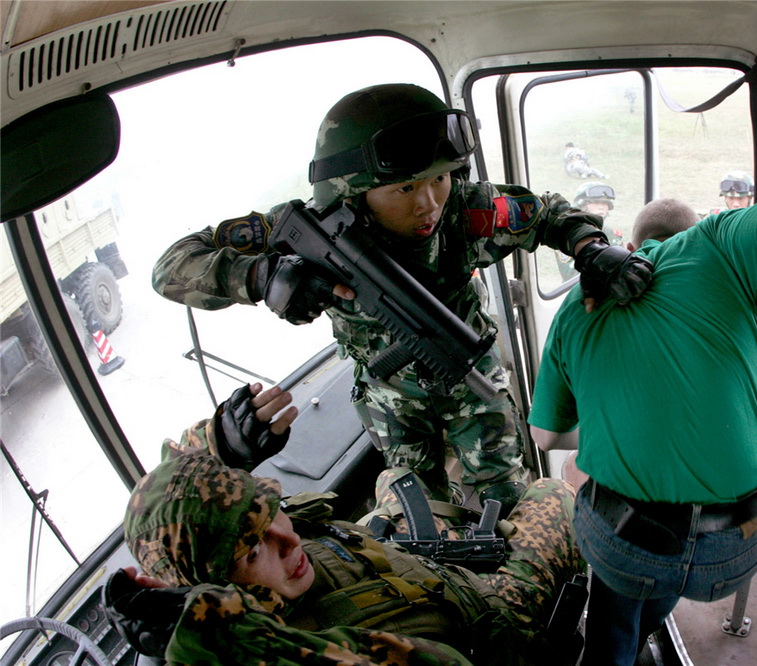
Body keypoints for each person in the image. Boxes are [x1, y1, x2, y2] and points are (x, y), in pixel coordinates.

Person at [151, 83, 652, 518]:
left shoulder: (467, 208)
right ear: (353, 192)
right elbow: (171, 267)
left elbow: (546, 213)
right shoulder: (307, 227)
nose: (429, 202)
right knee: (420, 512)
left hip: (470, 375)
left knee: (508, 500)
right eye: (406, 187)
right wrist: (261, 275)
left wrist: (593, 249)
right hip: (388, 393)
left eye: (439, 178)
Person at [527, 196, 757, 665]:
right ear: (693, 231)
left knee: (589, 492)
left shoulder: (578, 306)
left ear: (631, 245)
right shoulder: (718, 247)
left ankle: (618, 642)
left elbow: (545, 438)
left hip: (627, 542)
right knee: (669, 573)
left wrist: (608, 424)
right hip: (737, 547)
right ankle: (650, 615)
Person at [110, 383, 584, 665]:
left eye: (267, 507)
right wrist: (226, 640)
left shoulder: (255, 546)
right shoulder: (308, 648)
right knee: (553, 493)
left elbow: (173, 493)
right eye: (253, 551)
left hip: (389, 561)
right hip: (492, 619)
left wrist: (219, 444)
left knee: (395, 477)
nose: (287, 538)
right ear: (217, 591)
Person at [556, 183, 622, 280]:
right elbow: (570, 275)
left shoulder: (610, 232)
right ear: (582, 205)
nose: (601, 207)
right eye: (596, 203)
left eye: (605, 203)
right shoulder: (568, 233)